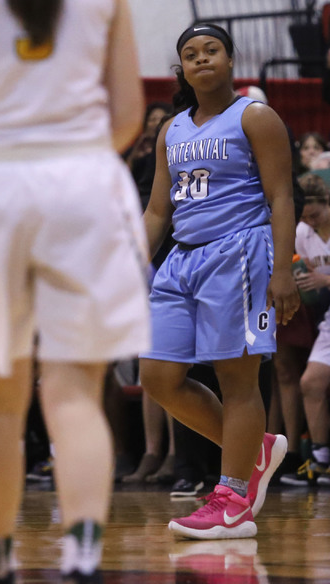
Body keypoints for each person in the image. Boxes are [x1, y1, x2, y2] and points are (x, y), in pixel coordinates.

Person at [0, 1, 150, 582]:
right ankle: (83, 557)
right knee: (74, 395)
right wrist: (72, 151)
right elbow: (128, 115)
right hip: (83, 182)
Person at [139, 23, 300, 540]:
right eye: (191, 53)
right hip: (180, 261)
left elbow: (281, 198)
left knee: (237, 381)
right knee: (157, 377)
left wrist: (282, 272)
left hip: (239, 254)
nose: (202, 59)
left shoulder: (255, 117)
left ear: (230, 61)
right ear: (181, 68)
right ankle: (256, 451)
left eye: (212, 51)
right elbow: (158, 209)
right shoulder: (172, 130)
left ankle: (232, 499)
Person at [281, 173, 330, 485]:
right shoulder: (301, 232)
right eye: (304, 216)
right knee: (310, 382)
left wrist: (325, 281)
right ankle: (321, 460)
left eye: (315, 214)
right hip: (326, 316)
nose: (310, 221)